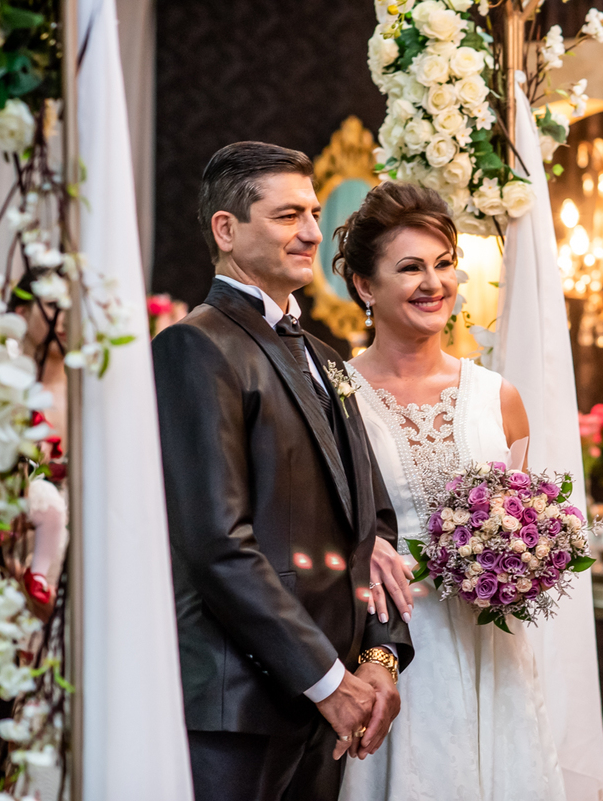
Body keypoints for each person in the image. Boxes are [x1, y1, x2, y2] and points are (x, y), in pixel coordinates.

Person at [152, 142, 413, 801]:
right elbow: (218, 545)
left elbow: (373, 528)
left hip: (329, 706)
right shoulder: (195, 345)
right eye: (287, 214)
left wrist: (380, 657)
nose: (311, 232)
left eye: (315, 213)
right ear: (226, 229)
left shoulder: (326, 357)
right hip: (241, 705)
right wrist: (329, 680)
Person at [336, 182, 566, 801]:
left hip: (495, 648)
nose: (432, 283)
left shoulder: (499, 398)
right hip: (394, 648)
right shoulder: (336, 399)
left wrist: (525, 557)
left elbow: (531, 517)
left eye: (442, 264)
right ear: (364, 285)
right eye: (409, 267)